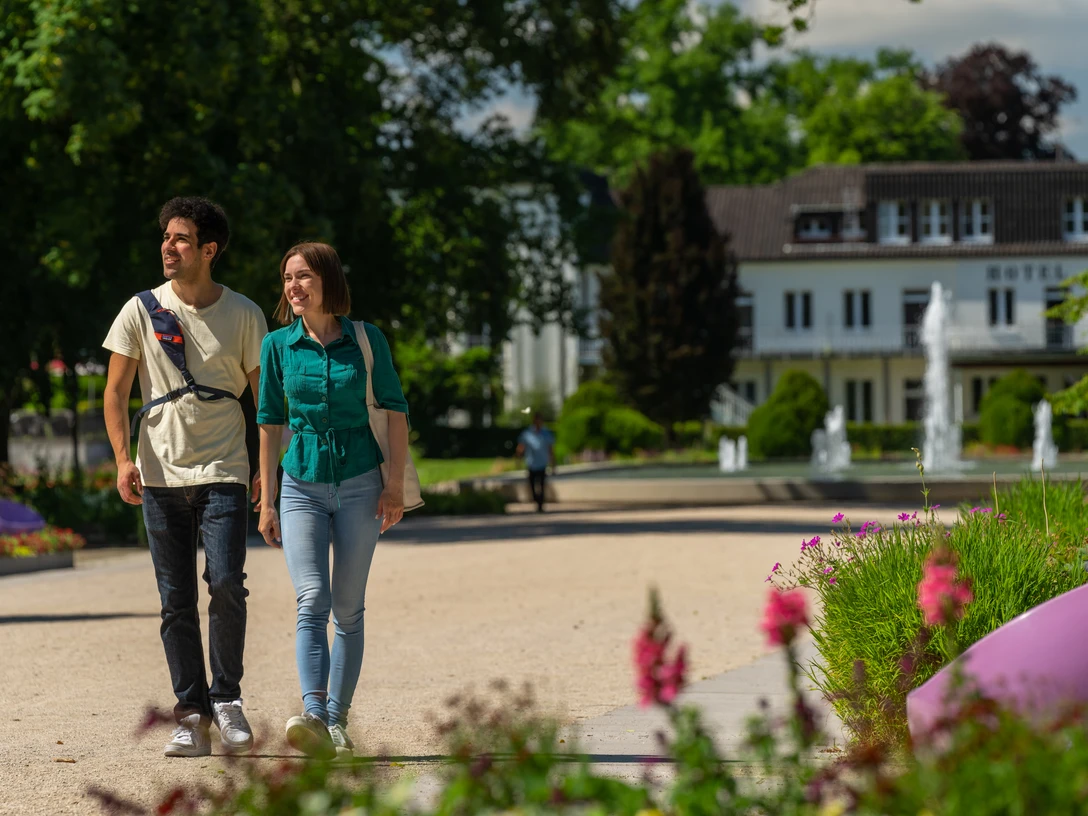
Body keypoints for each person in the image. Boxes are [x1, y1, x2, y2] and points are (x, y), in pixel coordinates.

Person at [102, 197, 267, 757]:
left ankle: (227, 699)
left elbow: (266, 401)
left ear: (208, 249)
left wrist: (267, 471)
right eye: (166, 238)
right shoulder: (140, 310)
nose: (167, 247)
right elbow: (115, 391)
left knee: (224, 583)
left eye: (179, 239)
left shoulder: (244, 313)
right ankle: (190, 715)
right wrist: (124, 459)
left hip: (225, 468)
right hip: (160, 471)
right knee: (175, 599)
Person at [256, 242, 410, 760]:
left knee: (347, 608)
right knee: (311, 599)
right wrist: (268, 498)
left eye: (303, 277)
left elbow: (394, 409)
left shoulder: (366, 341)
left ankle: (338, 721)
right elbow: (269, 420)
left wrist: (393, 487)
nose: (293, 287)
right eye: (286, 279)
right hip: (299, 483)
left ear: (327, 282)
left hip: (363, 483)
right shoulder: (277, 346)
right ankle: (316, 716)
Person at [516, 413, 556, 512]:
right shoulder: (527, 434)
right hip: (531, 464)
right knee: (532, 486)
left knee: (542, 485)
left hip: (542, 464)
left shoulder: (546, 433)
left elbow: (550, 450)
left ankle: (540, 505)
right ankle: (537, 500)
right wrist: (518, 459)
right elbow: (521, 447)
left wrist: (553, 463)